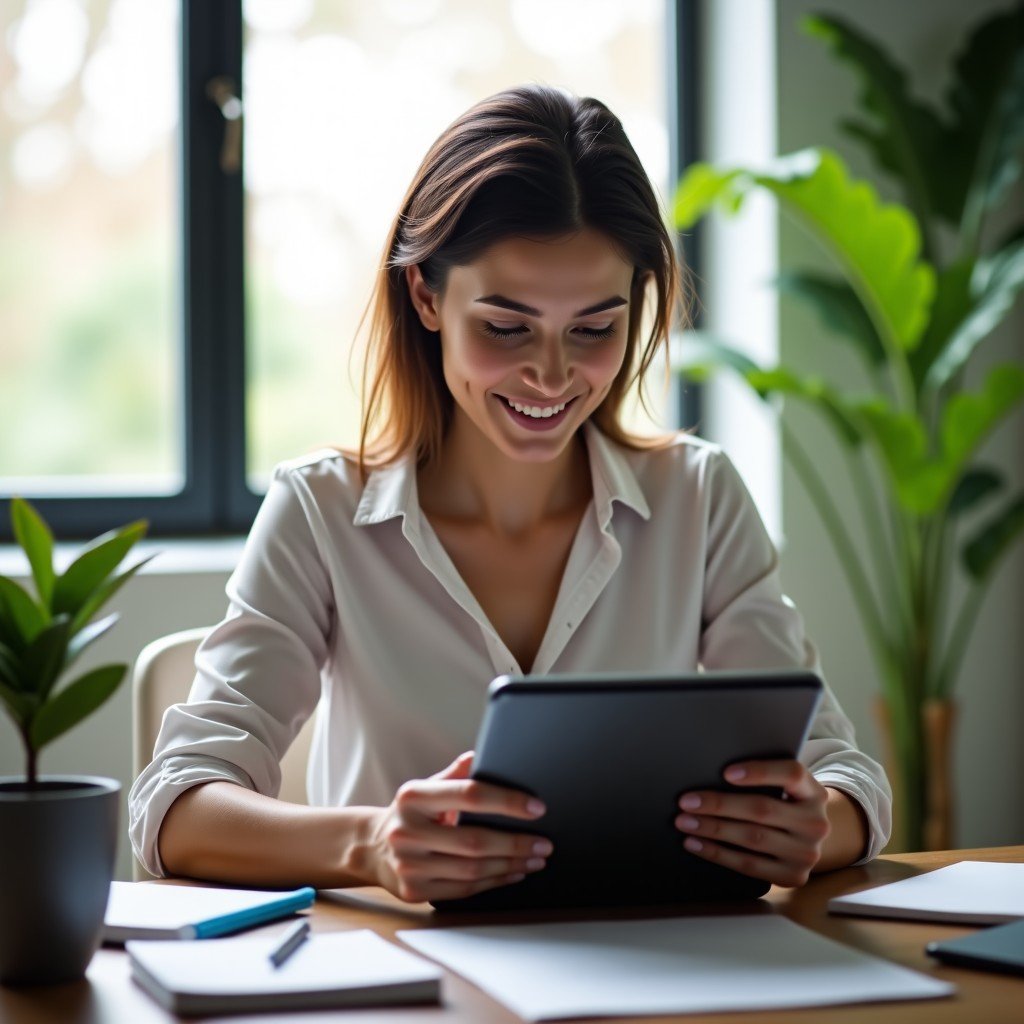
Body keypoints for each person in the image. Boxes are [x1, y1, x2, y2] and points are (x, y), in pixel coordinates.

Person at [129, 84, 891, 904]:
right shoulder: (321, 512)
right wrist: (369, 843)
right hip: (405, 981)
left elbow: (843, 775)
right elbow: (175, 811)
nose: (553, 375)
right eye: (506, 326)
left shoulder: (698, 497)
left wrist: (819, 824)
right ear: (426, 295)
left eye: (595, 328)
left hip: (657, 970)